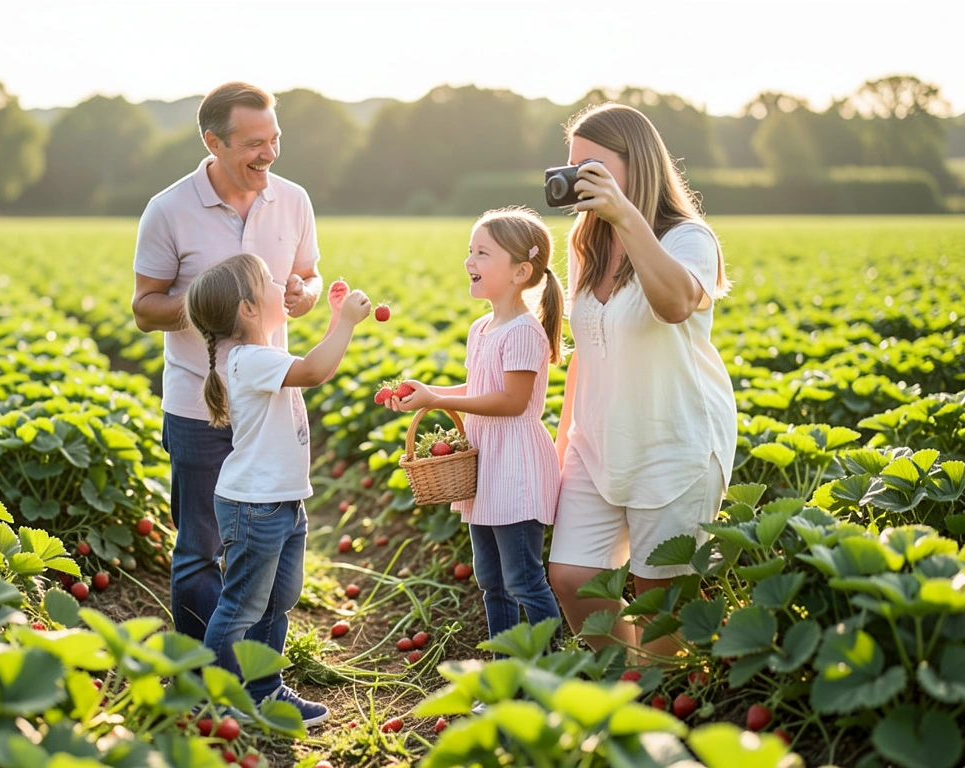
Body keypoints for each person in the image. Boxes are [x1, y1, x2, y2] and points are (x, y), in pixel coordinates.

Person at [131, 82, 322, 641]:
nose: (269, 153)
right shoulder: (168, 209)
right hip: (198, 402)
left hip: (269, 407)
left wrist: (304, 296)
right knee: (200, 547)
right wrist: (213, 309)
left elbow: (307, 274)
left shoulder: (294, 200)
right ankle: (202, 675)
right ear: (214, 142)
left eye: (275, 139)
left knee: (272, 548)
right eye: (253, 144)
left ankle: (257, 678)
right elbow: (145, 308)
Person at [545, 103, 737, 655]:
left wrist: (627, 218)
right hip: (598, 438)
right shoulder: (585, 243)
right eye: (571, 165)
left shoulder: (688, 238)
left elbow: (674, 304)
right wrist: (562, 446)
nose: (575, 179)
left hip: (673, 438)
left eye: (591, 167)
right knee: (573, 577)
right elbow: (585, 350)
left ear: (635, 165)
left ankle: (659, 692)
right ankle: (625, 678)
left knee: (660, 604)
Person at [186, 252, 370, 725]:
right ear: (248, 309)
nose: (280, 284)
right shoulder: (248, 360)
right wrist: (347, 324)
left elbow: (307, 364)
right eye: (269, 280)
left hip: (282, 501)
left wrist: (332, 318)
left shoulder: (258, 357)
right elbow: (313, 371)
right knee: (242, 605)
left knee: (277, 600)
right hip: (254, 506)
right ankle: (220, 697)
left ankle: (266, 690)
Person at [389, 206, 563, 649]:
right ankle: (506, 674)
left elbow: (512, 401)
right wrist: (427, 390)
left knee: (524, 579)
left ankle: (553, 669)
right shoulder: (482, 328)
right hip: (485, 466)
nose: (470, 262)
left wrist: (439, 400)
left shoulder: (524, 331)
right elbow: (482, 386)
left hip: (516, 466)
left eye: (482, 253)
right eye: (471, 251)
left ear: (521, 271)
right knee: (491, 580)